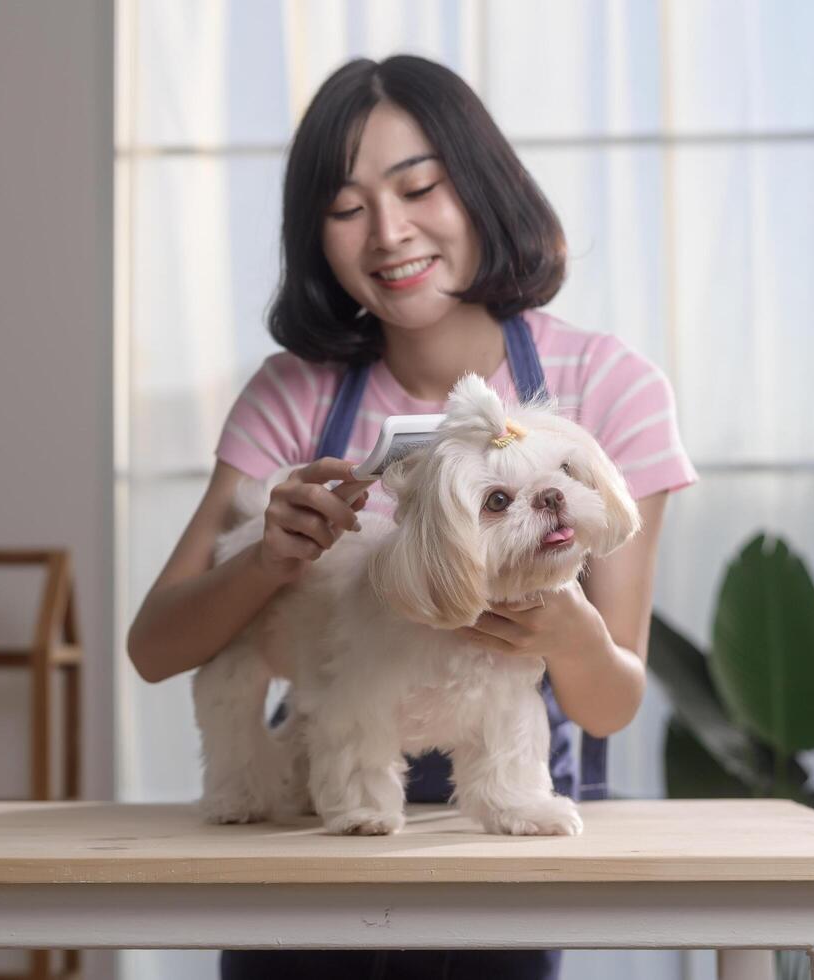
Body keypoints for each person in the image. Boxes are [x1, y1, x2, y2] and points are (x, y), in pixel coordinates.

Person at [126, 54, 697, 980]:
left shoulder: (609, 385)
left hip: (491, 858)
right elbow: (154, 648)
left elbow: (610, 703)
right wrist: (266, 562)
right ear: (315, 236)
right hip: (312, 848)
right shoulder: (292, 395)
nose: (388, 233)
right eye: (347, 208)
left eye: (418, 187)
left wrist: (566, 631)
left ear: (479, 188)